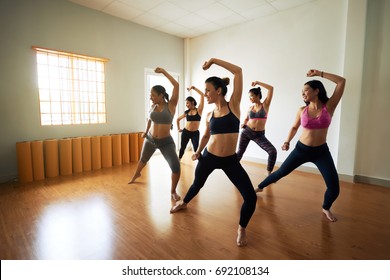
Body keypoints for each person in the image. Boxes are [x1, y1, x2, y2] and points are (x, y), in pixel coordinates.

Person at [170, 58, 257, 247]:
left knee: (251, 197)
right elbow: (206, 136)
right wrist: (198, 151)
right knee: (196, 185)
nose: (206, 94)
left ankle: (241, 227)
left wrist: (214, 61)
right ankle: (184, 202)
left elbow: (238, 71)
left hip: (230, 161)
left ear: (219, 90)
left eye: (208, 90)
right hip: (209, 157)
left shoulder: (233, 105)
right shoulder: (209, 115)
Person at [257, 69, 346, 222]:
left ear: (316, 91)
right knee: (280, 173)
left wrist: (320, 73)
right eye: (302, 91)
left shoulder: (329, 106)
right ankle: (258, 187)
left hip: (321, 152)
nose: (303, 94)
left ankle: (326, 207)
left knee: (334, 187)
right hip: (301, 150)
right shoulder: (302, 110)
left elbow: (341, 82)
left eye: (306, 90)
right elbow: (294, 127)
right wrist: (287, 141)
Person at [128, 67, 181, 201]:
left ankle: (173, 191)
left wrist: (163, 72)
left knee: (175, 167)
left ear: (161, 95)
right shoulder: (153, 107)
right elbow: (149, 120)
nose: (150, 97)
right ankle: (136, 174)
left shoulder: (171, 105)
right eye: (150, 95)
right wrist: (145, 133)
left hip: (166, 142)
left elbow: (176, 85)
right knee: (142, 160)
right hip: (150, 139)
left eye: (153, 95)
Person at [236, 81, 277, 176]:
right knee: (239, 153)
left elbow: (271, 88)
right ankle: (234, 170)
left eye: (251, 96)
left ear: (258, 95)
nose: (250, 98)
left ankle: (268, 172)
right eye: (249, 97)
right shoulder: (250, 108)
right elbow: (246, 119)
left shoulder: (265, 105)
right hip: (246, 132)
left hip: (259, 135)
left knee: (272, 151)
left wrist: (258, 83)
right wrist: (244, 123)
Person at [176, 86, 205, 159]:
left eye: (187, 103)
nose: (186, 105)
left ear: (192, 102)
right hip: (185, 132)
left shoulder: (199, 110)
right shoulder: (186, 112)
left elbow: (202, 95)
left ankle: (201, 163)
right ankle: (179, 160)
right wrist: (178, 128)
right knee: (182, 147)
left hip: (195, 133)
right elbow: (178, 119)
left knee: (197, 149)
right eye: (186, 104)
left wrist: (193, 88)